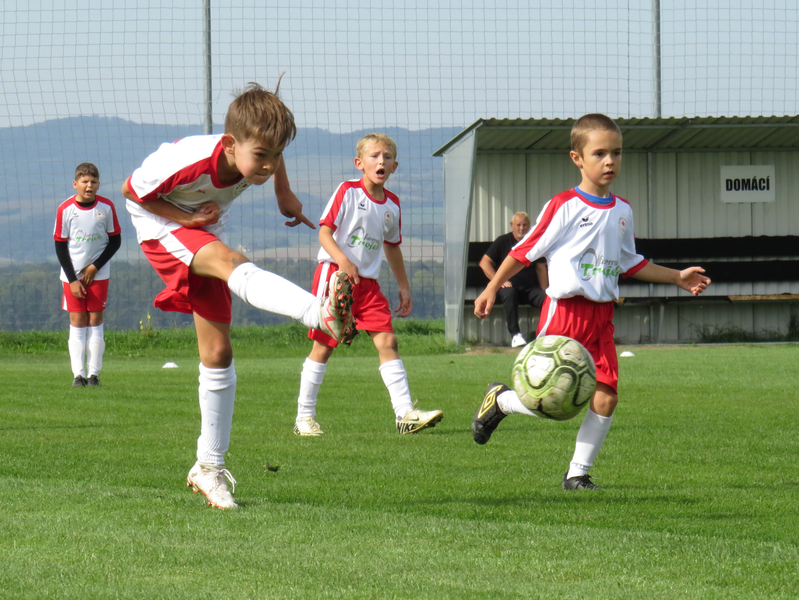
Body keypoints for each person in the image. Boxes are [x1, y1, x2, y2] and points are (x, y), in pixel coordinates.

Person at [121, 81, 354, 510]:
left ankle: (208, 468)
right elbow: (132, 191)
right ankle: (319, 314)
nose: (267, 166)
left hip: (204, 227)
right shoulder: (188, 161)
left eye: (276, 156)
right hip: (161, 225)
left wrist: (283, 194)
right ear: (229, 144)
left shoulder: (259, 155)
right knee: (231, 263)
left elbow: (270, 156)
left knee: (218, 353)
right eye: (260, 157)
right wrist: (187, 217)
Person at [471, 113, 711, 490]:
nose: (610, 161)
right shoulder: (564, 205)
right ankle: (501, 401)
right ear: (577, 158)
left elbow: (630, 262)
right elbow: (524, 251)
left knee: (607, 396)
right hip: (565, 312)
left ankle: (577, 474)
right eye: (599, 153)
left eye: (616, 153)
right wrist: (491, 288)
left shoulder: (622, 210)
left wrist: (677, 277)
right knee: (549, 401)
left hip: (602, 317)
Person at [293, 133, 444, 437]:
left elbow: (392, 246)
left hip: (369, 286)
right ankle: (304, 418)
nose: (381, 161)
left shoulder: (393, 205)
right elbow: (324, 233)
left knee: (388, 342)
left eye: (387, 157)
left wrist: (404, 285)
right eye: (374, 156)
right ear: (359, 163)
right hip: (335, 277)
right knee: (323, 347)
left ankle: (405, 415)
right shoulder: (347, 191)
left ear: (395, 166)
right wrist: (343, 262)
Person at [54, 163, 122, 388]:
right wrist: (72, 279)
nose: (89, 185)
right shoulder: (65, 209)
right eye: (84, 181)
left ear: (98, 184)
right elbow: (61, 246)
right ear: (75, 184)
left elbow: (115, 241)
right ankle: (78, 375)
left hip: (99, 274)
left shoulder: (107, 207)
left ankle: (94, 375)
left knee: (95, 320)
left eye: (93, 181)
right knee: (78, 321)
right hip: (72, 277)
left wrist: (95, 267)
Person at [479, 212, 548, 347]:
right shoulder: (502, 241)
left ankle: (546, 335)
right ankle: (515, 335)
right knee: (509, 293)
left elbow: (541, 268)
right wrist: (498, 281)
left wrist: (544, 290)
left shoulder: (533, 242)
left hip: (530, 289)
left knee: (548, 300)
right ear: (512, 226)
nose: (521, 228)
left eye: (524, 225)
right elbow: (484, 263)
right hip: (508, 288)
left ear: (529, 226)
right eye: (518, 225)